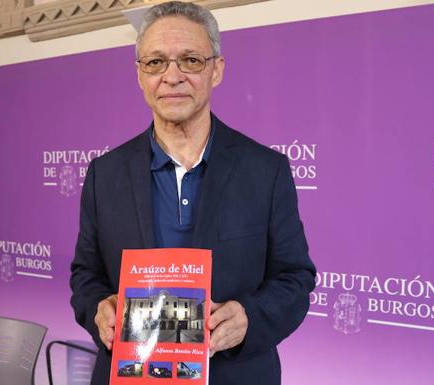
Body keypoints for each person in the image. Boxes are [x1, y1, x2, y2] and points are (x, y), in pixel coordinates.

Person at [70, 2, 316, 384]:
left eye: (190, 60)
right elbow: (86, 275)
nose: (172, 77)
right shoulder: (105, 173)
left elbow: (295, 278)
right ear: (139, 75)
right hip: (130, 373)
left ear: (216, 70)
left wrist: (250, 316)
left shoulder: (266, 170)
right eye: (155, 62)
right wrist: (97, 309)